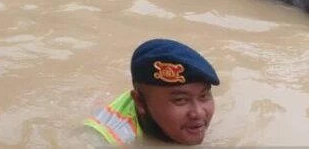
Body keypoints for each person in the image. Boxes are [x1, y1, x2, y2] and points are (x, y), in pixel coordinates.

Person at [85, 39, 219, 146]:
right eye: (180, 100)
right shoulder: (108, 140)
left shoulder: (184, 119)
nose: (199, 113)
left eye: (204, 96)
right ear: (140, 102)